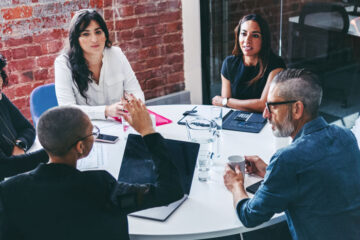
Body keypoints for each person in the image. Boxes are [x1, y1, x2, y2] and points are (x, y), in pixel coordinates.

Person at [0, 97, 183, 240]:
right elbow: (171, 190)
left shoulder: (9, 191)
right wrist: (148, 132)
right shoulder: (103, 187)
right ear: (80, 147)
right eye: (92, 133)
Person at [223, 69, 360, 240]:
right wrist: (268, 170)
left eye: (272, 106)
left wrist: (236, 185)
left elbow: (250, 216)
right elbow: (317, 181)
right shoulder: (346, 136)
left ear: (297, 109)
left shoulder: (287, 159)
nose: (265, 114)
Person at [55, 9, 144, 120]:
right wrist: (106, 111)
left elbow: (136, 92)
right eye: (86, 34)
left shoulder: (117, 54)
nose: (94, 39)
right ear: (76, 39)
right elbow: (67, 110)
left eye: (98, 32)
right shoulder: (63, 64)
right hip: (85, 129)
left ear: (105, 34)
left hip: (119, 123)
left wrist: (132, 105)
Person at [212, 14, 285, 112]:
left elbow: (263, 105)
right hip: (235, 120)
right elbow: (226, 109)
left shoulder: (276, 65)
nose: (247, 40)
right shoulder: (229, 63)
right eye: (243, 34)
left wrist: (226, 101)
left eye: (255, 35)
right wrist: (226, 102)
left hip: (265, 121)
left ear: (264, 40)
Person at [0, 54, 48, 181]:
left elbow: (27, 129)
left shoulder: (1, 98)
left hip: (17, 174)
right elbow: (4, 167)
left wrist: (20, 145)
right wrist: (53, 153)